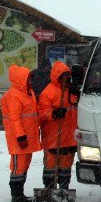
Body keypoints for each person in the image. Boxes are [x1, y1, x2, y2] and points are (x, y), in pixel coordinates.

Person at [1, 65, 42, 202]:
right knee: (18, 167)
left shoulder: (27, 93)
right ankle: (16, 195)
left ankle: (20, 193)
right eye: (28, 78)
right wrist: (20, 136)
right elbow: (15, 118)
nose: (30, 81)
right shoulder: (13, 95)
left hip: (27, 137)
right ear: (20, 80)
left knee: (24, 166)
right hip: (19, 138)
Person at [38, 61, 79, 190]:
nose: (67, 79)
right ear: (57, 77)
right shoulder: (48, 92)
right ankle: (49, 188)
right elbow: (42, 113)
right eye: (64, 76)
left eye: (68, 76)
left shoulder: (73, 92)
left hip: (69, 137)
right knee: (51, 165)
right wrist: (54, 113)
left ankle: (64, 187)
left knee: (66, 165)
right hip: (53, 137)